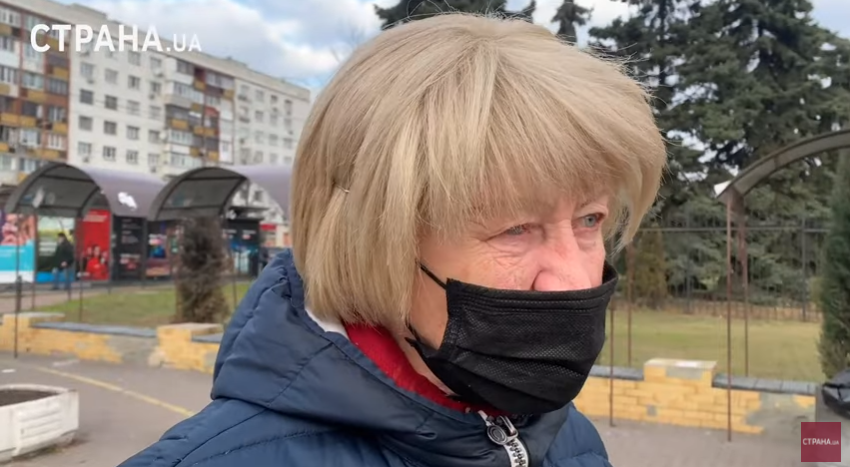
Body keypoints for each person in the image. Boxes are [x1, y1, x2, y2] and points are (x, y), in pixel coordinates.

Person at [119, 13, 666, 467]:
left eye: (589, 220)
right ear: (373, 240)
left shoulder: (568, 439)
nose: (573, 279)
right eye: (515, 229)